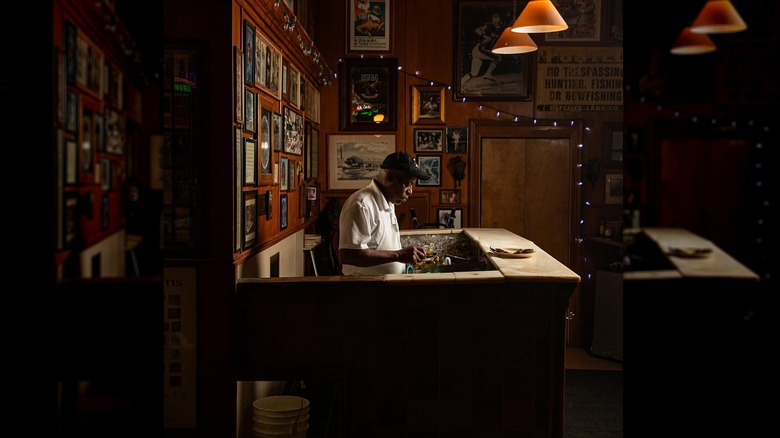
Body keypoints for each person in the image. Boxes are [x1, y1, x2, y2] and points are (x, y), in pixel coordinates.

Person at [339, 151, 428, 275]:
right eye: (408, 184)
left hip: (385, 286)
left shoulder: (389, 201)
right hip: (364, 288)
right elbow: (349, 255)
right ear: (390, 177)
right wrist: (398, 255)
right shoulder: (361, 204)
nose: (410, 191)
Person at [461, 13, 504, 83]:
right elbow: (477, 30)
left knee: (474, 73)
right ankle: (487, 74)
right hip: (480, 48)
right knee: (498, 57)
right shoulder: (489, 26)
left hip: (478, 49)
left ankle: (461, 82)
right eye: (495, 18)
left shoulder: (498, 29)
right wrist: (484, 36)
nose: (498, 22)